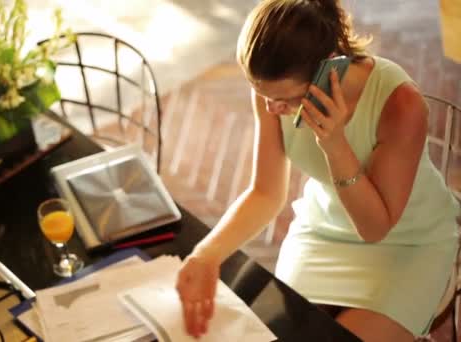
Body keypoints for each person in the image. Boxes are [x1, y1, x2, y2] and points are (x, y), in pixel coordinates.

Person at [175, 0, 461, 341]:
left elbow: (375, 228)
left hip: (408, 243)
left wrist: (335, 145)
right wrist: (206, 256)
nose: (273, 108)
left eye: (287, 99)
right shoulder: (273, 90)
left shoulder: (401, 104)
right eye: (262, 94)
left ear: (330, 69)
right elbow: (266, 193)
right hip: (324, 231)